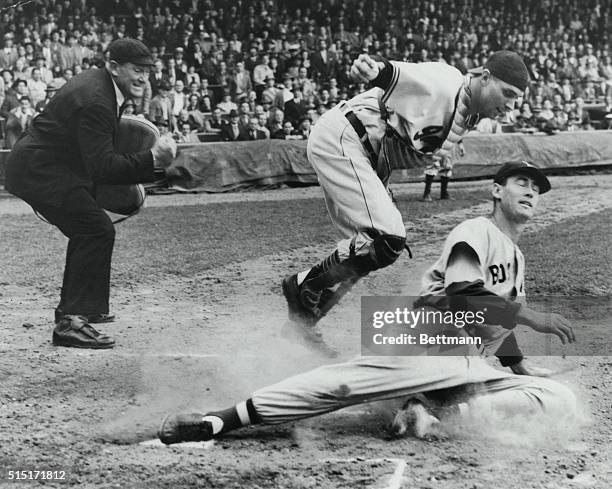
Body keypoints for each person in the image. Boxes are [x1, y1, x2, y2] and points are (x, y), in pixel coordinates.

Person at [158, 161, 576, 445]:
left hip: (462, 370)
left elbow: (495, 327)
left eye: (537, 188)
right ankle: (221, 419)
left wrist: (521, 367)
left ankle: (433, 414)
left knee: (557, 396)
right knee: (339, 385)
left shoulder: (516, 259)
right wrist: (533, 317)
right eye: (522, 182)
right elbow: (465, 295)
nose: (531, 191)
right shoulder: (474, 231)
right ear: (496, 189)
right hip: (416, 349)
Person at [279, 50, 530, 348]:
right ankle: (301, 287)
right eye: (507, 93)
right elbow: (395, 74)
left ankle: (303, 324)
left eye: (517, 98)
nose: (511, 105)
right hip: (345, 136)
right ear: (485, 78)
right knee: (387, 239)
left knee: (369, 251)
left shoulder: (472, 111)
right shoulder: (447, 82)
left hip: (368, 155)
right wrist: (373, 69)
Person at [4, 38, 177, 350]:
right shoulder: (98, 98)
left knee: (91, 229)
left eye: (146, 72)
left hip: (49, 166)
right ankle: (71, 321)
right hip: (40, 171)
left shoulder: (101, 85)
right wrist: (153, 160)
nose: (143, 78)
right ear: (113, 66)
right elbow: (102, 167)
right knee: (95, 230)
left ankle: (85, 308)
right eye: (136, 70)